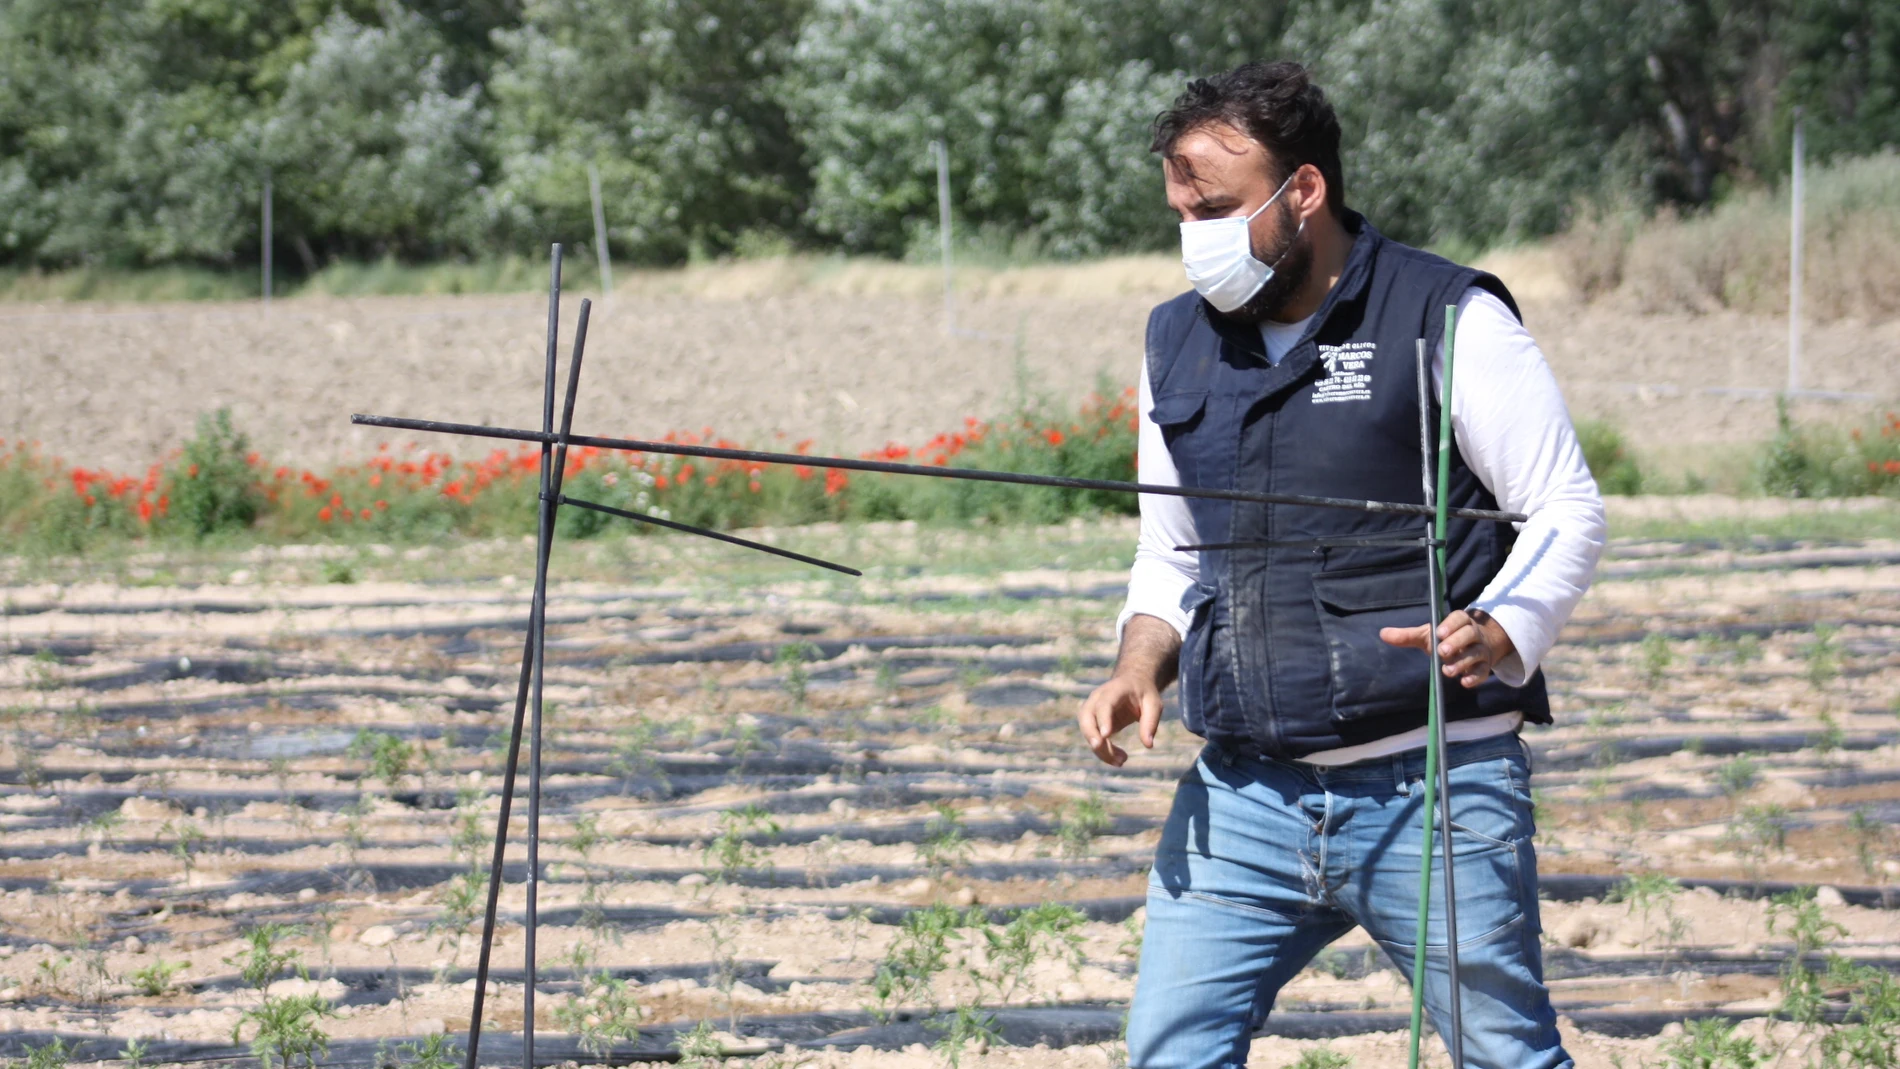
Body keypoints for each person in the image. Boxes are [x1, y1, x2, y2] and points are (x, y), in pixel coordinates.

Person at [1076, 61, 1607, 1069]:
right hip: (1240, 797)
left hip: (1434, 787)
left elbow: (1564, 510)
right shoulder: (1174, 341)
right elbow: (1171, 550)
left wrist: (1499, 627)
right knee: (1168, 1055)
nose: (1196, 234)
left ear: (1304, 191)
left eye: (1218, 208)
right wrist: (1136, 667)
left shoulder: (1445, 315)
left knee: (1506, 1056)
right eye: (1180, 211)